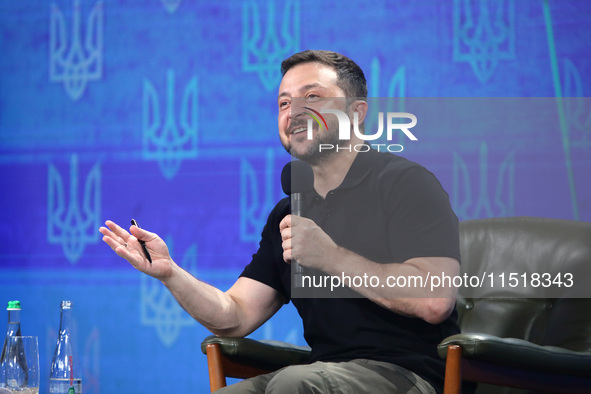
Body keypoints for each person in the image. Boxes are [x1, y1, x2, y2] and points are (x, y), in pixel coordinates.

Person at [100, 50, 465, 394]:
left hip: (410, 376)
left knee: (293, 384)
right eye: (284, 103)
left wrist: (331, 255)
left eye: (313, 97)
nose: (294, 113)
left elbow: (434, 300)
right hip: (321, 374)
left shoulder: (405, 184)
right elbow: (235, 315)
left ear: (356, 113)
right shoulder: (289, 212)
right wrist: (169, 272)